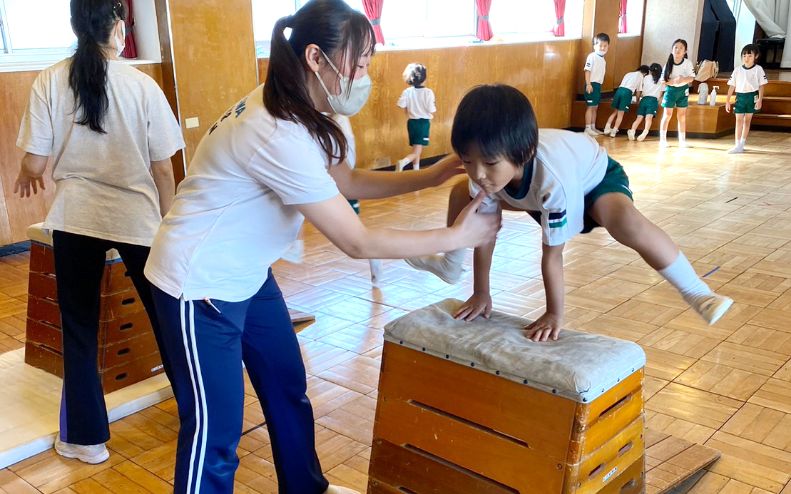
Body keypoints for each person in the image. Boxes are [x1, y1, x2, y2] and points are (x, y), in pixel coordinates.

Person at [142, 1, 499, 493]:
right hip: (198, 285)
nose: (364, 75)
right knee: (215, 430)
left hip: (248, 275)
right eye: (360, 63)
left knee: (287, 386)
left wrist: (430, 176)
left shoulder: (303, 111)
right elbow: (355, 241)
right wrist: (458, 237)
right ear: (317, 58)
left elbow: (345, 182)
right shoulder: (274, 130)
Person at [406, 85, 734, 342]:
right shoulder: (488, 174)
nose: (477, 172)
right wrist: (481, 292)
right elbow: (481, 233)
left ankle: (698, 292)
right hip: (531, 190)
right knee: (462, 193)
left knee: (624, 222)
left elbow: (553, 256)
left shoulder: (554, 179)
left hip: (592, 179)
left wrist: (554, 314)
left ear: (523, 152)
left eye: (489, 163)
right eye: (467, 160)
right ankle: (451, 264)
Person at [14, 0, 184, 464]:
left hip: (75, 218)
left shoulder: (50, 79)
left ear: (75, 26)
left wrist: (27, 174)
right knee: (168, 319)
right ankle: (197, 411)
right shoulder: (141, 85)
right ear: (118, 28)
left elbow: (35, 161)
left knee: (80, 327)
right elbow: (164, 171)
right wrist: (169, 226)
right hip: (138, 218)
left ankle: (85, 439)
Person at [725, 44, 768, 154]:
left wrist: (760, 99)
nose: (746, 58)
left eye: (749, 55)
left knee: (747, 120)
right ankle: (737, 144)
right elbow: (732, 86)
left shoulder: (758, 69)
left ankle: (742, 144)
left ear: (756, 56)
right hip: (740, 96)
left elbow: (761, 86)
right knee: (738, 120)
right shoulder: (737, 70)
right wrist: (727, 100)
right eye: (744, 56)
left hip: (752, 96)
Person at [396, 63, 436, 171]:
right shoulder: (428, 93)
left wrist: (410, 113)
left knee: (416, 149)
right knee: (417, 151)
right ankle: (403, 162)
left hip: (411, 123)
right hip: (423, 124)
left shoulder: (407, 92)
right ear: (424, 77)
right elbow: (431, 109)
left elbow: (401, 105)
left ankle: (416, 170)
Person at [659, 39, 695, 148]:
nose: (678, 50)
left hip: (683, 90)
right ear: (672, 50)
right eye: (676, 47)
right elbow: (663, 81)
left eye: (681, 48)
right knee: (667, 114)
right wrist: (673, 82)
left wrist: (683, 79)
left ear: (685, 51)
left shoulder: (687, 63)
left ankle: (682, 141)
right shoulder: (668, 64)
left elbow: (692, 78)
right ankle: (663, 140)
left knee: (682, 116)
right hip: (670, 90)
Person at [603, 65, 649, 137]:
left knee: (615, 111)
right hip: (627, 93)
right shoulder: (640, 76)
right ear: (645, 73)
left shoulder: (629, 73)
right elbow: (638, 91)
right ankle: (614, 131)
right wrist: (637, 100)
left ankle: (606, 128)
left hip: (619, 91)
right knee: (620, 114)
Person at [628, 63, 664, 141]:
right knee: (648, 118)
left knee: (639, 117)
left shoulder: (646, 78)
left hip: (644, 99)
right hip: (653, 100)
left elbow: (640, 89)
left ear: (650, 71)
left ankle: (632, 130)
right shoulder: (661, 80)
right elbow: (661, 94)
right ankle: (645, 132)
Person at [583, 33, 610, 137]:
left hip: (598, 85)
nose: (602, 48)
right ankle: (587, 128)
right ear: (594, 46)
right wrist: (588, 84)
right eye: (600, 45)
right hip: (591, 84)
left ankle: (593, 127)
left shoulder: (603, 59)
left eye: (605, 46)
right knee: (590, 107)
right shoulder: (592, 56)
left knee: (595, 107)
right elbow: (587, 71)